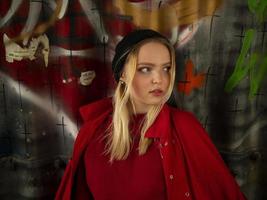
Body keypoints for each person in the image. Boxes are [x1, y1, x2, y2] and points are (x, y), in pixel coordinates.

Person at [55, 29, 246, 200]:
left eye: (166, 68)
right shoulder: (93, 130)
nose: (160, 79)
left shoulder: (184, 127)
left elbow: (225, 192)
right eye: (145, 69)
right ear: (123, 73)